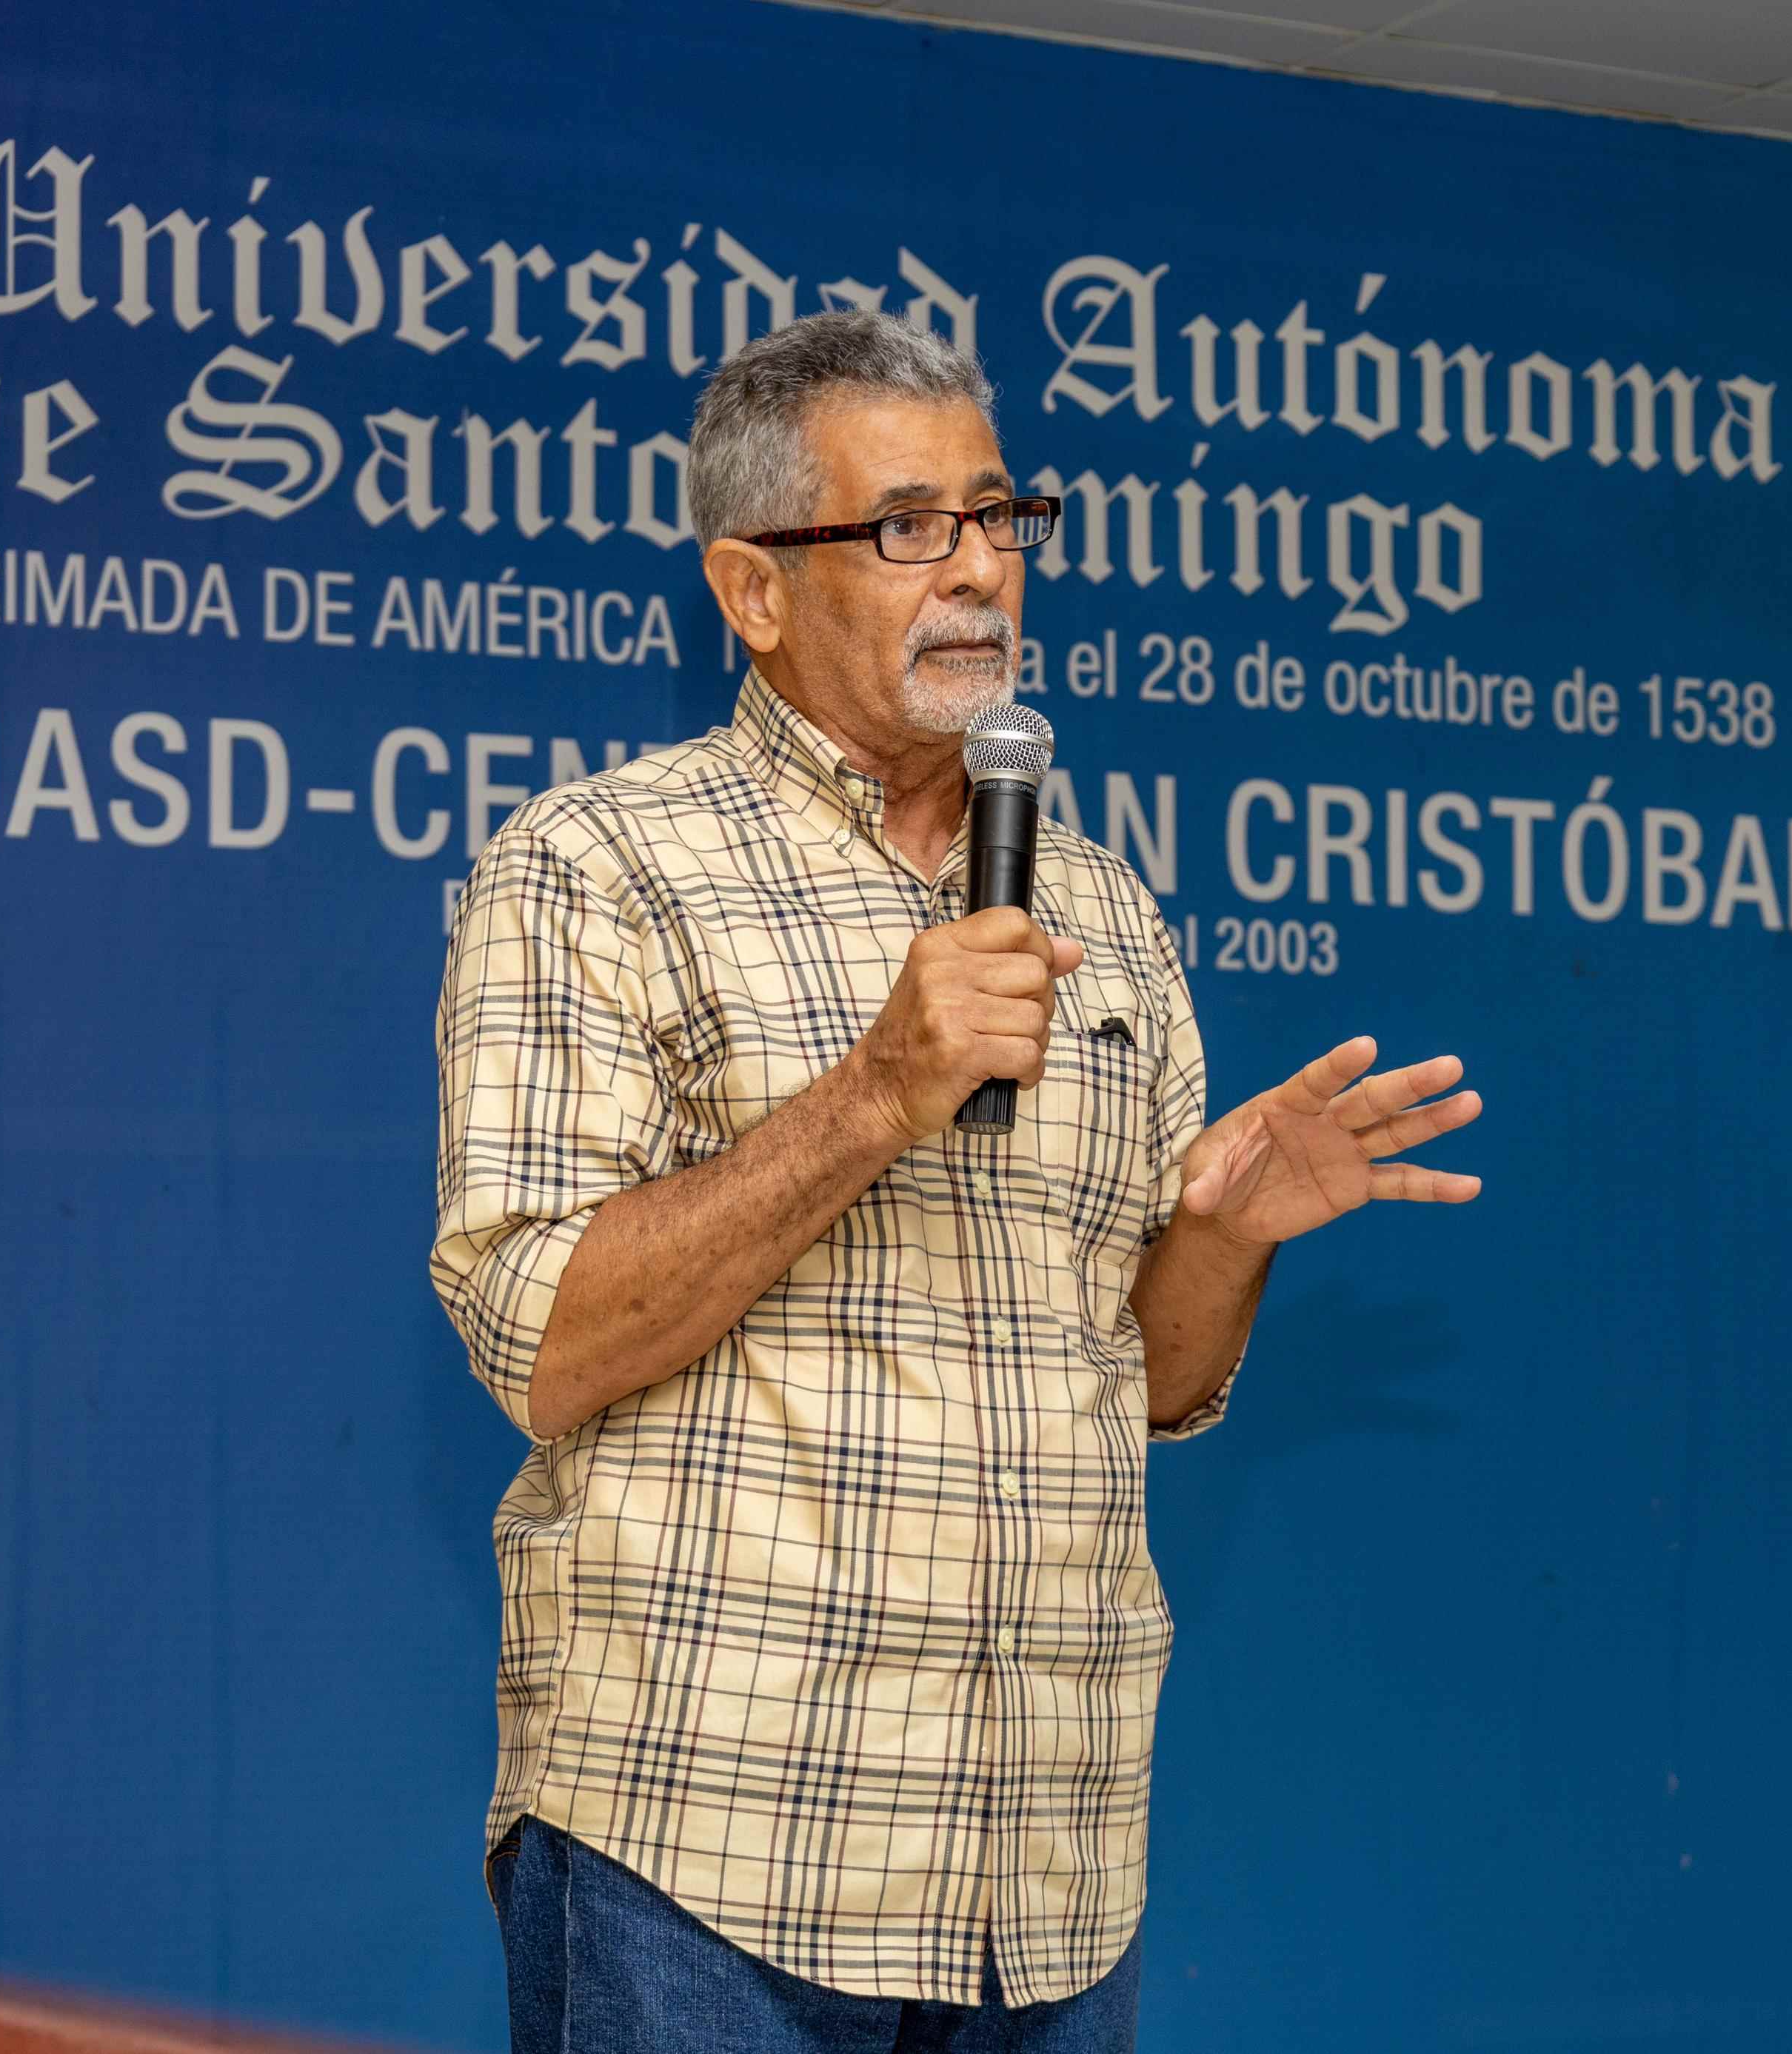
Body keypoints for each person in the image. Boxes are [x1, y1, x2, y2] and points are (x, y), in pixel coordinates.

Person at [429, 308, 1485, 2053]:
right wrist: (875, 1095)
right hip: (716, 1850)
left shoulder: (1109, 912)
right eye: (908, 526)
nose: (980, 573)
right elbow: (537, 1337)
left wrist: (1224, 1237)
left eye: (1001, 517)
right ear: (754, 590)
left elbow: (1148, 1382)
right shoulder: (597, 866)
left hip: (1046, 1873)